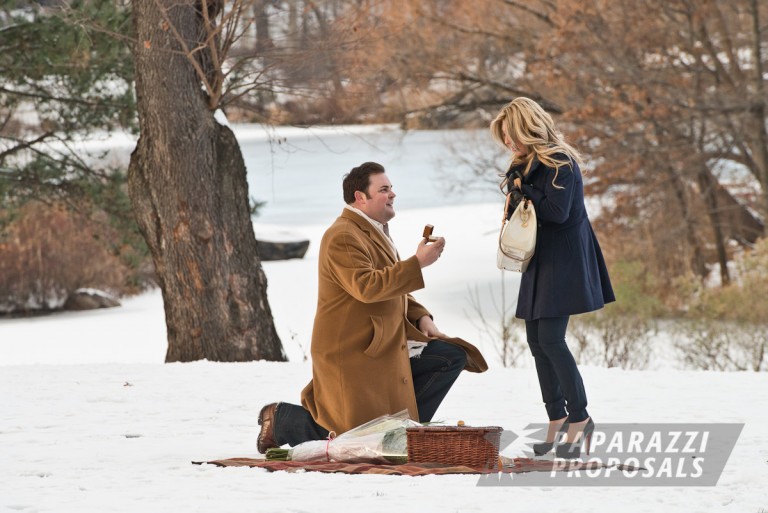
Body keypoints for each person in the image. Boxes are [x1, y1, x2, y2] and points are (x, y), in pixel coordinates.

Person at [256, 162, 487, 453]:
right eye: (384, 189)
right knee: (354, 436)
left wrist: (421, 316)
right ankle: (280, 420)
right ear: (359, 197)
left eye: (391, 188)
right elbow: (366, 286)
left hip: (379, 345)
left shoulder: (373, 230)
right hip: (353, 351)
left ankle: (405, 433)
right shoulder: (343, 235)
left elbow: (394, 288)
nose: (392, 194)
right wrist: (417, 263)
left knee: (450, 355)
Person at [490, 98, 615, 459]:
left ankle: (580, 418)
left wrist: (523, 188)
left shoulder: (560, 161)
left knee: (551, 339)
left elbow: (557, 213)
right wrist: (517, 190)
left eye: (511, 137)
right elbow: (522, 212)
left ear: (527, 128)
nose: (509, 145)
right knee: (535, 339)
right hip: (540, 258)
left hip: (564, 259)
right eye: (505, 140)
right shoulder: (525, 164)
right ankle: (556, 419)